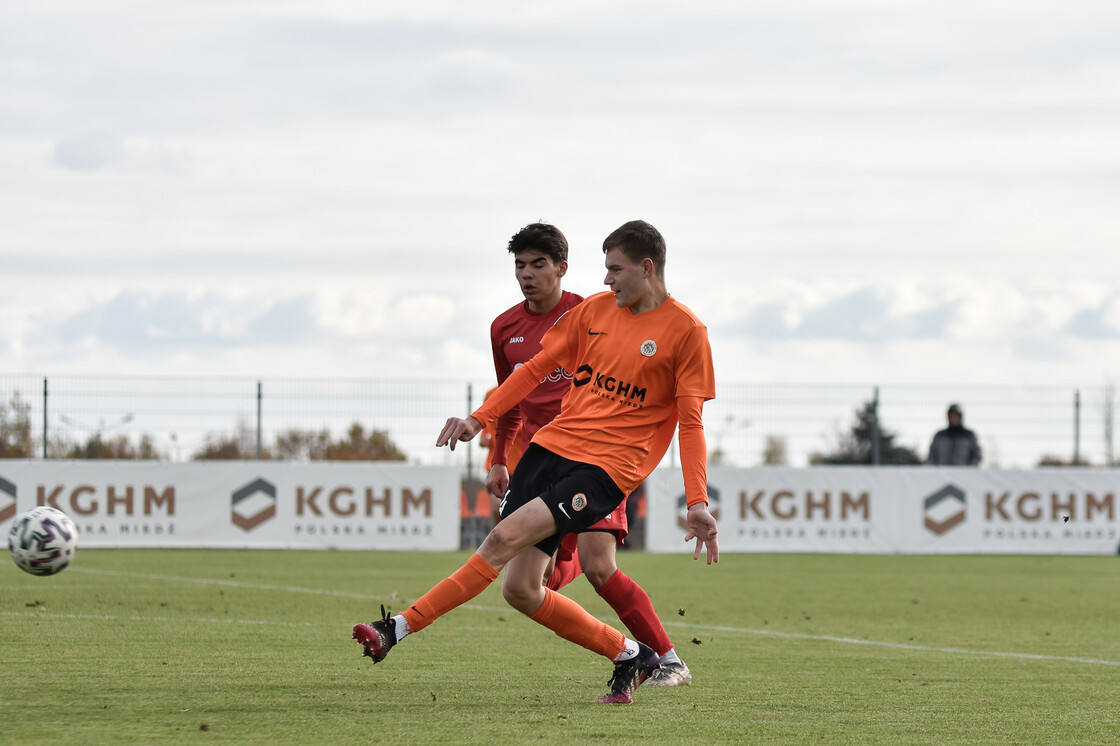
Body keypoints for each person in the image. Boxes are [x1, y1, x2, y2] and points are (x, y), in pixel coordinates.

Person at [352, 220, 718, 705]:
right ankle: (631, 655)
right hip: (551, 448)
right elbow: (537, 370)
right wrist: (481, 420)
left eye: (616, 270)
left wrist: (697, 500)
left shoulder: (686, 331)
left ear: (647, 268)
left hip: (606, 469)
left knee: (510, 540)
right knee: (521, 589)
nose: (607, 281)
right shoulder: (596, 311)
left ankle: (396, 628)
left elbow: (690, 423)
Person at [485, 221, 692, 687]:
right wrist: (499, 456)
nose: (528, 274)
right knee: (529, 582)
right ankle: (630, 646)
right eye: (520, 265)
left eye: (539, 264)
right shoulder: (505, 328)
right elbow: (512, 397)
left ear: (561, 268)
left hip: (599, 461)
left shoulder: (598, 310)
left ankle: (667, 658)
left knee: (598, 567)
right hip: (541, 462)